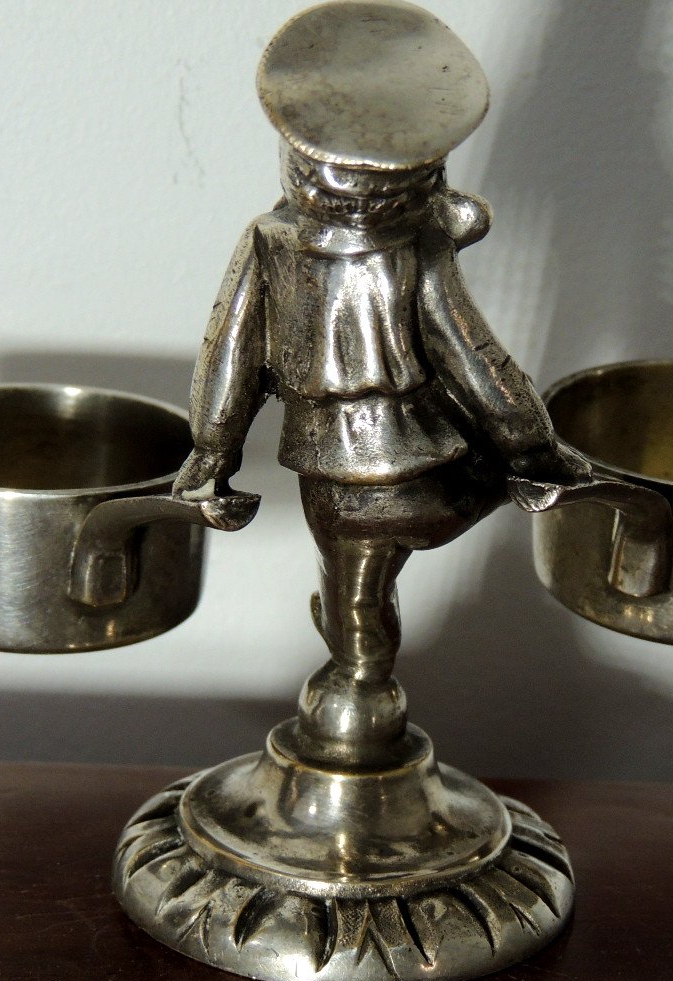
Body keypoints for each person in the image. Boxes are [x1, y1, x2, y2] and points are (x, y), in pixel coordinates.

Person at [172, 0, 583, 763]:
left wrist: (212, 452)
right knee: (375, 574)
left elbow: (231, 355)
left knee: (354, 593)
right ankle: (358, 673)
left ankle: (357, 668)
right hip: (427, 465)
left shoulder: (274, 240)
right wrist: (532, 453)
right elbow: (477, 361)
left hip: (331, 471)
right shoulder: (415, 246)